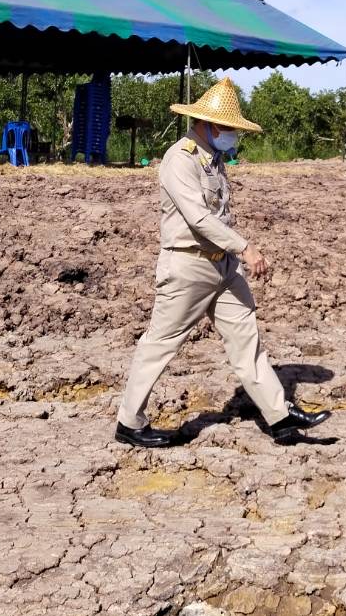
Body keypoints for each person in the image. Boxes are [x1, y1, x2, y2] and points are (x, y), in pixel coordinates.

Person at [115, 77, 332, 448]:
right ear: (206, 124)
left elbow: (220, 216)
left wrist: (234, 253)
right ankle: (129, 422)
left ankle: (279, 417)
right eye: (228, 128)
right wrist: (246, 247)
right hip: (189, 266)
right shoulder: (179, 159)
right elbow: (199, 218)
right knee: (161, 344)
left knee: (248, 341)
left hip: (224, 267)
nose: (232, 135)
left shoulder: (214, 159)